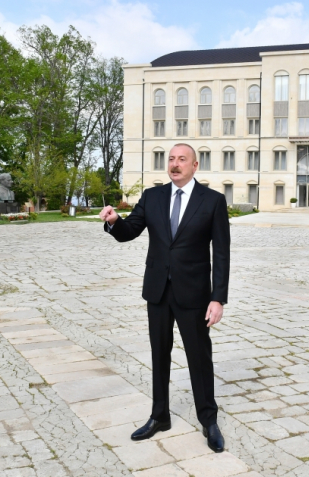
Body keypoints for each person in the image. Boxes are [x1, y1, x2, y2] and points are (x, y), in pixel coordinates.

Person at [99, 143, 230, 453]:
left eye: (182, 159)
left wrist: (218, 298)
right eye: (171, 159)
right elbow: (130, 230)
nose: (175, 164)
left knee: (199, 358)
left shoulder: (212, 201)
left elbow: (221, 253)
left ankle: (208, 420)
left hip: (194, 294)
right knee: (159, 354)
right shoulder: (153, 196)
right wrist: (115, 220)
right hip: (157, 290)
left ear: (195, 165)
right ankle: (159, 416)